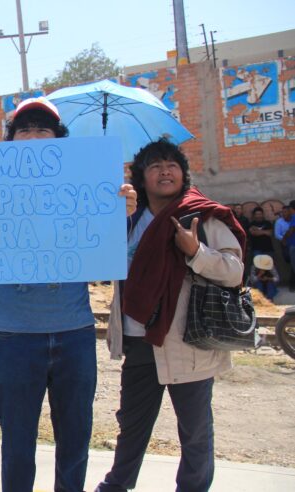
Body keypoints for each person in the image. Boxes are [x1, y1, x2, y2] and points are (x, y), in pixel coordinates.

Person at [0, 96, 137, 492]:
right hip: (15, 336)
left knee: (75, 438)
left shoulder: (86, 186)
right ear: (12, 141)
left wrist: (119, 215)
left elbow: (107, 259)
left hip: (74, 333)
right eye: (25, 129)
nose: (34, 136)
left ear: (59, 139)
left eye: (44, 128)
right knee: (17, 442)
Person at [95, 139, 245, 492]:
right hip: (138, 338)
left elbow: (235, 271)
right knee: (132, 424)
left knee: (194, 430)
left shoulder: (202, 215)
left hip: (187, 342)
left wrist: (197, 253)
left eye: (171, 164)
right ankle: (115, 486)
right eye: (154, 166)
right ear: (142, 178)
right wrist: (112, 219)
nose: (165, 170)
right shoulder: (129, 220)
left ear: (183, 173)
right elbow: (103, 267)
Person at [274, 204, 294, 290]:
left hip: (292, 245)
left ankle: (292, 284)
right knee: (291, 264)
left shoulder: (293, 219)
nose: (285, 213)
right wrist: (284, 239)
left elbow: (290, 231)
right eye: (283, 212)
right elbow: (277, 234)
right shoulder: (279, 222)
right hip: (286, 245)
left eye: (286, 211)